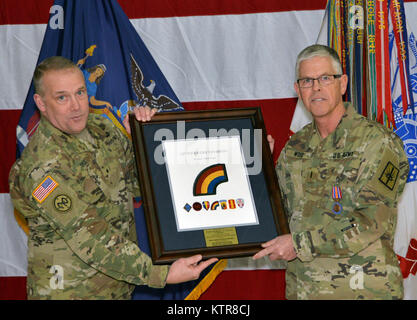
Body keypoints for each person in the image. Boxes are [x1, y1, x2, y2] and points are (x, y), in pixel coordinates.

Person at [8, 56, 217, 300]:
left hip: (116, 289)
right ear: (41, 103)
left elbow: (139, 185)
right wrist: (160, 274)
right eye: (62, 97)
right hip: (70, 293)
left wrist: (143, 139)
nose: (76, 106)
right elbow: (89, 235)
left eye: (80, 92)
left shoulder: (101, 128)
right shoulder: (41, 167)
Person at [253, 44, 409, 299]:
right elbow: (276, 212)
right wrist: (259, 173)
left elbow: (371, 221)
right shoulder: (295, 147)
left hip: (360, 290)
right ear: (297, 89)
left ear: (342, 83)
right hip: (303, 290)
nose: (316, 88)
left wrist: (299, 244)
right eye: (307, 81)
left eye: (325, 78)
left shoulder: (377, 142)